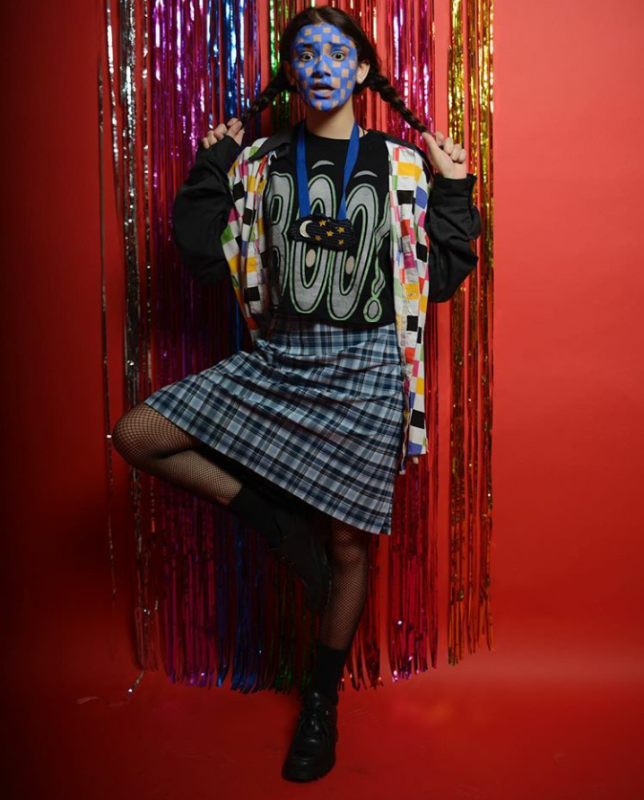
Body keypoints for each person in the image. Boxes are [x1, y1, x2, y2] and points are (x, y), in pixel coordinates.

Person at [112, 4, 481, 783]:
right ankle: (278, 525)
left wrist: (453, 191)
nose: (319, 64)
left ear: (360, 70)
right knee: (138, 434)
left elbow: (441, 277)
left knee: (350, 547)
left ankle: (320, 702)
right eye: (303, 53)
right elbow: (204, 261)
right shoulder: (261, 164)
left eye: (335, 51)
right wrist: (213, 165)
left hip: (369, 366)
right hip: (281, 359)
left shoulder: (405, 166)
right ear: (291, 73)